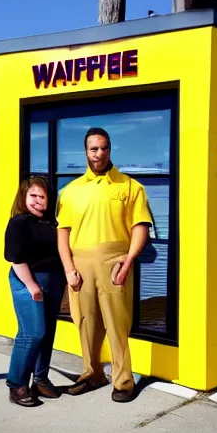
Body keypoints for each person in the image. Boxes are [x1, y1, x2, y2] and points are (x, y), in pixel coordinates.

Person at [57, 127, 153, 403]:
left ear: (110, 149)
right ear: (85, 152)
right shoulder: (71, 191)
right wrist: (68, 270)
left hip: (115, 263)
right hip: (80, 264)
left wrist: (129, 261)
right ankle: (92, 373)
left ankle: (123, 381)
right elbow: (62, 233)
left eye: (104, 148)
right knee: (85, 322)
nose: (99, 153)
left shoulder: (130, 187)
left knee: (117, 324)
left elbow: (140, 228)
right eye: (93, 149)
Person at [4, 176, 66, 407]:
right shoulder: (19, 222)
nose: (38, 201)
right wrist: (32, 285)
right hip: (27, 280)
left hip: (53, 280)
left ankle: (40, 379)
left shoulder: (50, 224)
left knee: (48, 332)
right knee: (32, 332)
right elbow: (15, 258)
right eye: (33, 196)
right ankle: (16, 383)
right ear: (24, 197)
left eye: (42, 196)